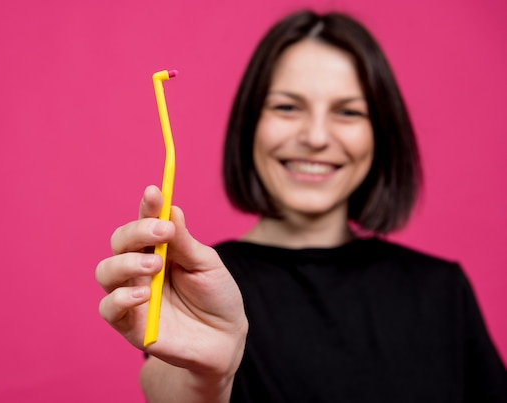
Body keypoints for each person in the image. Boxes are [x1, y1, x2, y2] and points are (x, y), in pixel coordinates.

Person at [95, 10, 507, 402]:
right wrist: (208, 374)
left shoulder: (440, 290)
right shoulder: (199, 284)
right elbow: (168, 391)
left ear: (380, 132)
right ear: (250, 124)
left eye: (347, 112)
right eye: (287, 107)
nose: (315, 136)